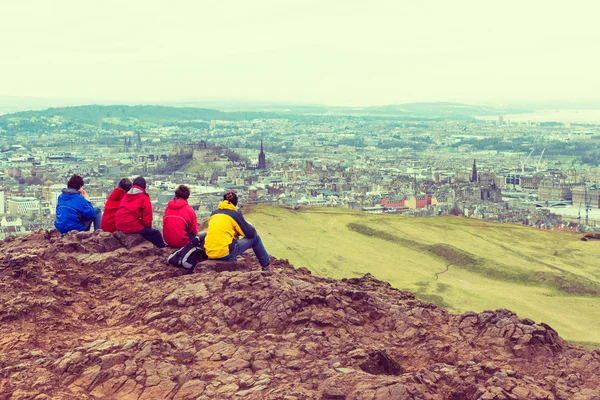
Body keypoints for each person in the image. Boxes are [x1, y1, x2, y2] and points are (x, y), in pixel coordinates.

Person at [204, 191, 270, 270]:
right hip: (224, 253)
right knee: (255, 238)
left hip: (210, 253)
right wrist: (247, 224)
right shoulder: (234, 214)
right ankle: (266, 266)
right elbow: (251, 234)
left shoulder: (214, 214)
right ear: (235, 203)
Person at [115, 176, 165, 248]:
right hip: (131, 226)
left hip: (119, 226)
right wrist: (146, 227)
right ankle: (162, 252)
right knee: (156, 234)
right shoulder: (144, 197)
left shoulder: (126, 195)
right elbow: (147, 219)